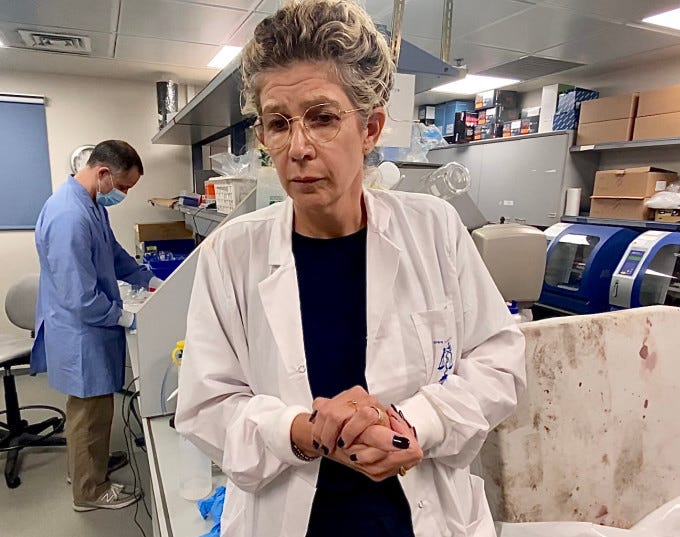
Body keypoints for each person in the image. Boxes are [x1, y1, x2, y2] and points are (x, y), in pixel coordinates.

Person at [174, 1, 525, 535]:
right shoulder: (232, 253)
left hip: (422, 515)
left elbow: (498, 359)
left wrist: (415, 424)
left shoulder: (433, 229)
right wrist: (304, 432)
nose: (298, 148)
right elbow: (206, 406)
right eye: (277, 123)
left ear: (370, 128)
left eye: (322, 118)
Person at [32, 140, 162, 511]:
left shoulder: (89, 204)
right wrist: (123, 316)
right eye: (123, 188)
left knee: (94, 408)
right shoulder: (69, 216)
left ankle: (88, 467)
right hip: (80, 330)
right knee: (89, 412)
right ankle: (89, 491)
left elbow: (112, 252)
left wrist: (146, 279)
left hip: (88, 326)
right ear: (103, 174)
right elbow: (80, 297)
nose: (122, 194)